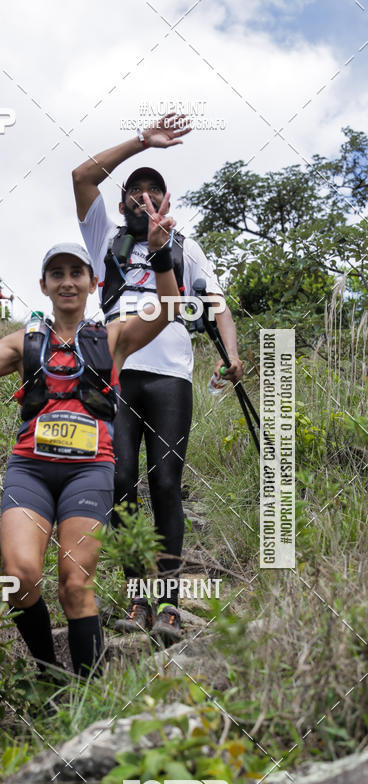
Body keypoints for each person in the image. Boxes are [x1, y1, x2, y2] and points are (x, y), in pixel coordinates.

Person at [0, 198, 180, 679]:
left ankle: (87, 694)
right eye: (56, 273)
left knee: (74, 583)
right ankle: (49, 676)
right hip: (31, 471)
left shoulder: (113, 337)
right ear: (43, 284)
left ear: (92, 282)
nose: (67, 281)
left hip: (90, 471)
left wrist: (161, 253)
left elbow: (167, 309)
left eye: (76, 273)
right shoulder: (26, 341)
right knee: (18, 577)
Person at [72, 115, 244, 644]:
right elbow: (81, 176)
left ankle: (168, 603)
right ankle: (137, 593)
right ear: (124, 198)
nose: (144, 198)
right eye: (135, 190)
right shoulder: (105, 237)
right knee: (120, 479)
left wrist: (233, 355)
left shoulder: (184, 246)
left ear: (168, 200)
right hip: (116, 371)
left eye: (154, 191)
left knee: (166, 483)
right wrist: (142, 142)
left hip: (171, 374)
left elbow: (216, 304)